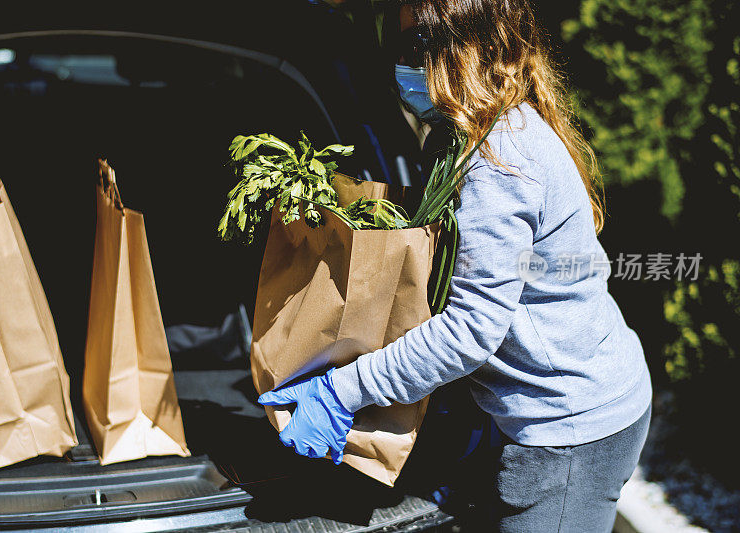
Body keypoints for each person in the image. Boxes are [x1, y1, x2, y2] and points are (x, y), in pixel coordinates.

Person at [258, 1, 652, 531]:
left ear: (464, 47)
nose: (402, 67)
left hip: (569, 430)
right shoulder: (466, 136)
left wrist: (341, 391)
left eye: (411, 49)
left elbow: (470, 330)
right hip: (537, 411)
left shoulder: (499, 159)